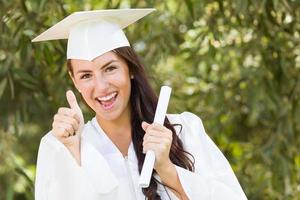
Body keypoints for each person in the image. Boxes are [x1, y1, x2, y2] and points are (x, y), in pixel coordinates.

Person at [33, 8, 248, 200]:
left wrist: (166, 168)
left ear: (131, 69)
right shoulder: (61, 147)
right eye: (86, 75)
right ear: (74, 81)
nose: (101, 87)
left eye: (110, 68)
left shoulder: (184, 131)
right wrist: (76, 154)